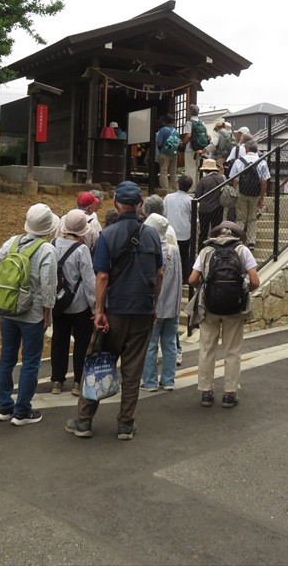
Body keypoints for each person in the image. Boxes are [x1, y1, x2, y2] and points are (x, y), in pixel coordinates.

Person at [65, 180, 164, 441]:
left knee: (98, 361)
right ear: (140, 204)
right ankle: (125, 425)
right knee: (132, 371)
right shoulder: (152, 234)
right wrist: (154, 304)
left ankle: (84, 421)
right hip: (142, 311)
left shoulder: (107, 235)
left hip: (113, 312)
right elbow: (159, 273)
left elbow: (102, 277)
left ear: (116, 204)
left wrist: (98, 310)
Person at [0, 203, 58, 426]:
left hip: (8, 309)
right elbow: (49, 286)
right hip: (32, 314)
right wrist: (47, 313)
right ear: (48, 228)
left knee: (7, 357)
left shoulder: (12, 242)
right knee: (30, 361)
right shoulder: (47, 249)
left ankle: (3, 407)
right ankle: (22, 412)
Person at [187, 220, 260, 408]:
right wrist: (243, 291)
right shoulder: (243, 251)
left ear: (217, 234)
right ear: (236, 235)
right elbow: (255, 281)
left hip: (209, 307)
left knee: (206, 348)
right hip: (234, 308)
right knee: (232, 350)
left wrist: (205, 289)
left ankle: (206, 391)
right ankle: (229, 393)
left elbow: (192, 279)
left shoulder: (206, 251)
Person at [49, 209, 97, 397]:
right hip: (79, 306)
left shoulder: (52, 244)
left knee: (59, 341)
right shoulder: (82, 249)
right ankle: (78, 382)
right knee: (81, 343)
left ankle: (57, 381)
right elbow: (89, 281)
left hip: (58, 304)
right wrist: (95, 307)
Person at [141, 214, 183, 392]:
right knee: (170, 344)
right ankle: (168, 380)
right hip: (172, 305)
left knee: (150, 345)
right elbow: (180, 278)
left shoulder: (148, 249)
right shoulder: (174, 250)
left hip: (153, 306)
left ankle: (149, 382)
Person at [229, 139, 269, 248]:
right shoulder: (262, 162)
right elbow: (264, 182)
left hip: (242, 193)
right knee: (252, 218)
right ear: (256, 149)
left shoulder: (239, 161)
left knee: (240, 218)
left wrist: (235, 193)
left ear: (246, 149)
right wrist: (261, 198)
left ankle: (238, 239)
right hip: (255, 194)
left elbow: (235, 180)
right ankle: (251, 241)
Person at [164, 174, 194, 278]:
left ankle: (170, 275)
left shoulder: (168, 197)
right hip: (185, 232)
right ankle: (185, 277)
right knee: (185, 255)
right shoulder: (190, 201)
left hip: (170, 231)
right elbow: (193, 218)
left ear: (178, 184)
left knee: (169, 254)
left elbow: (164, 213)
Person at [193, 158, 225, 253]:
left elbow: (197, 195)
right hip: (218, 208)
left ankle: (201, 251)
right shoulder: (221, 178)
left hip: (204, 210)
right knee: (216, 230)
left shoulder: (203, 180)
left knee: (203, 231)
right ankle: (216, 249)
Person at [155, 114, 179, 191]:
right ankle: (174, 188)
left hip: (164, 153)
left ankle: (165, 189)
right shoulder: (176, 131)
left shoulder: (163, 130)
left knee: (163, 171)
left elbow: (159, 143)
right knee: (173, 172)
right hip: (174, 153)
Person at [182, 104, 205, 184]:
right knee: (197, 168)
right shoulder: (202, 123)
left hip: (190, 148)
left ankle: (190, 187)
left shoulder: (189, 122)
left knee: (190, 168)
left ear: (190, 112)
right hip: (199, 149)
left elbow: (188, 135)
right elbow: (207, 136)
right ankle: (197, 186)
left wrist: (182, 143)